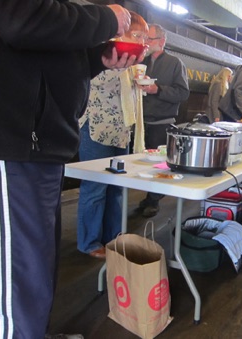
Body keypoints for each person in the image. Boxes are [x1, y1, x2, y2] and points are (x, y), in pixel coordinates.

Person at [0, 1, 143, 338]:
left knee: (36, 264)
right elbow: (18, 20)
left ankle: (32, 331)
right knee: (17, 270)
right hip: (15, 139)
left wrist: (96, 60)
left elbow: (42, 45)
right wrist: (106, 17)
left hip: (39, 142)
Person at [77, 12, 149, 259]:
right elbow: (93, 81)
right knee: (95, 187)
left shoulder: (132, 62)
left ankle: (114, 237)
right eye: (137, 35)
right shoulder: (104, 50)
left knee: (117, 188)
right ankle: (89, 242)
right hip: (96, 127)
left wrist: (141, 83)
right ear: (122, 33)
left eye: (144, 38)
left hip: (121, 131)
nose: (141, 41)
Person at [136, 24, 190, 218]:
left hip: (161, 122)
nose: (146, 43)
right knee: (139, 163)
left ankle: (153, 200)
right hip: (141, 121)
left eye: (149, 39)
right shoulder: (142, 60)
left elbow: (183, 93)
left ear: (161, 41)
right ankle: (146, 196)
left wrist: (157, 89)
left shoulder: (175, 63)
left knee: (158, 164)